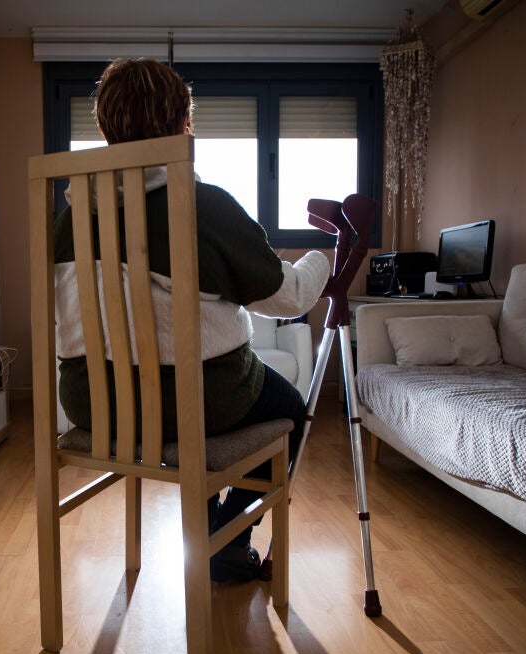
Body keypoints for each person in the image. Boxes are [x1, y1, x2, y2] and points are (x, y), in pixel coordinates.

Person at [54, 58, 329, 582]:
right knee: (290, 409)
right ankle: (227, 546)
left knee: (192, 401)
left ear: (106, 130)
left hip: (91, 403)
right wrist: (324, 258)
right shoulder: (203, 206)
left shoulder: (68, 220)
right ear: (183, 125)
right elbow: (290, 297)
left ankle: (207, 534)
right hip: (200, 403)